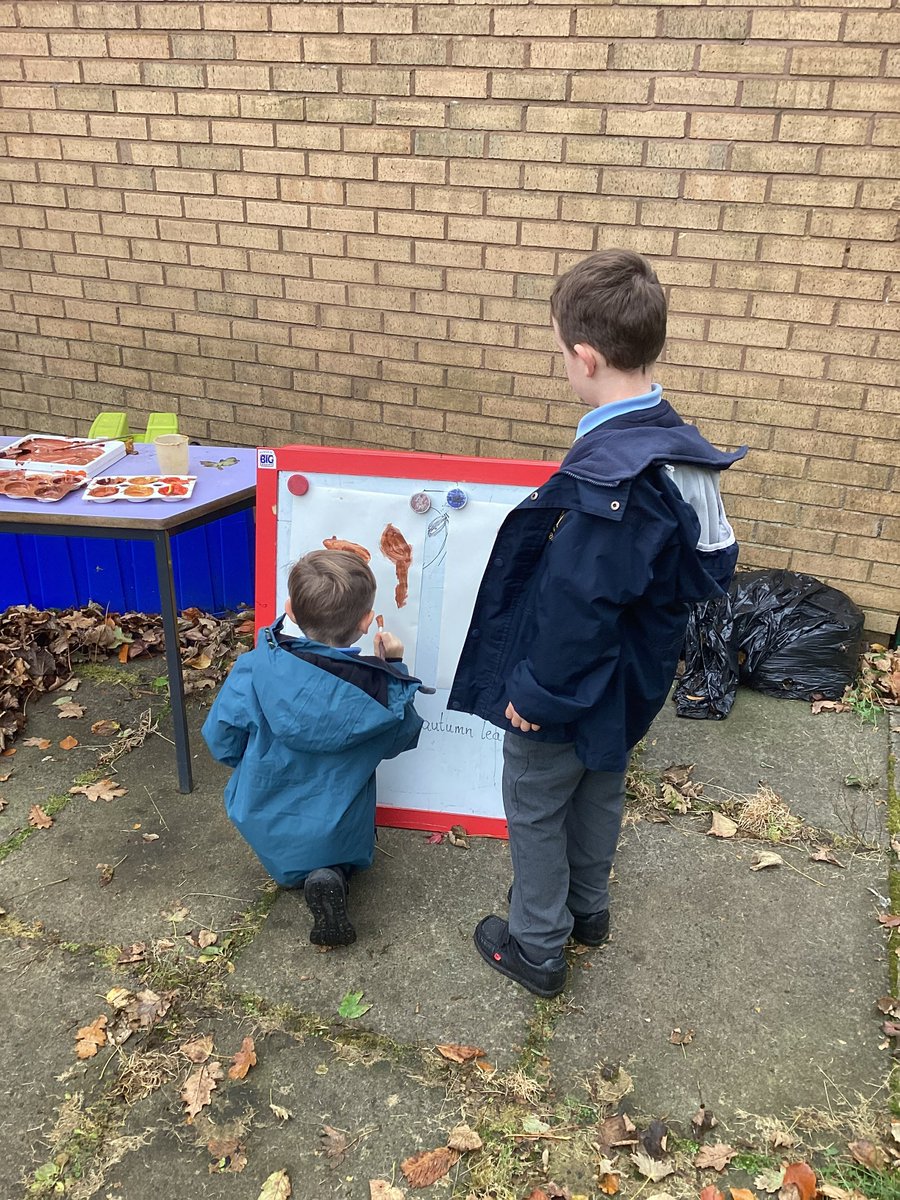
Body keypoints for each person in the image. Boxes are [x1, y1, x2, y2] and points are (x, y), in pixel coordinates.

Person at [448, 249, 746, 997]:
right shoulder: (674, 444)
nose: (561, 364)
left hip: (570, 687)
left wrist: (538, 697)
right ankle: (589, 911)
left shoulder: (614, 480)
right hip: (631, 681)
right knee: (599, 789)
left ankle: (538, 946)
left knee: (539, 801)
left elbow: (578, 609)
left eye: (559, 352)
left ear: (585, 356)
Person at [202, 549, 425, 946]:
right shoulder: (375, 689)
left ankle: (296, 872)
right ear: (364, 623)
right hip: (340, 823)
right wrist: (394, 667)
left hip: (263, 809)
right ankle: (333, 874)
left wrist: (253, 760)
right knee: (339, 839)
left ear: (289, 608)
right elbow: (403, 738)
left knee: (286, 847)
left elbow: (221, 739)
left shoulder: (255, 668)